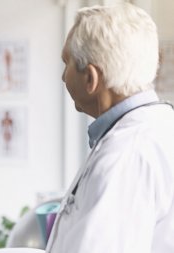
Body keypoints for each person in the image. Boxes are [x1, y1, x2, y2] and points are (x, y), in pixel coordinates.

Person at [47, 3, 174, 253]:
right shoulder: (159, 126)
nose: (63, 77)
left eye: (67, 63)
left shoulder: (126, 154)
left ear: (91, 78)